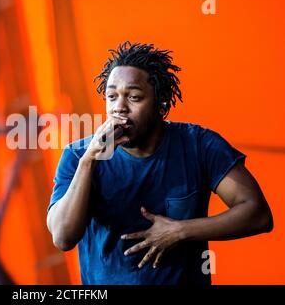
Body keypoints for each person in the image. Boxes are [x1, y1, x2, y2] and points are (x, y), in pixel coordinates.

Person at [46, 41, 273, 285]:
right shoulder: (78, 155)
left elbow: (257, 214)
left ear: (161, 103)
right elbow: (63, 237)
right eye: (111, 97)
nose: (119, 108)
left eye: (134, 97)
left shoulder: (199, 145)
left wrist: (180, 231)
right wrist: (88, 162)